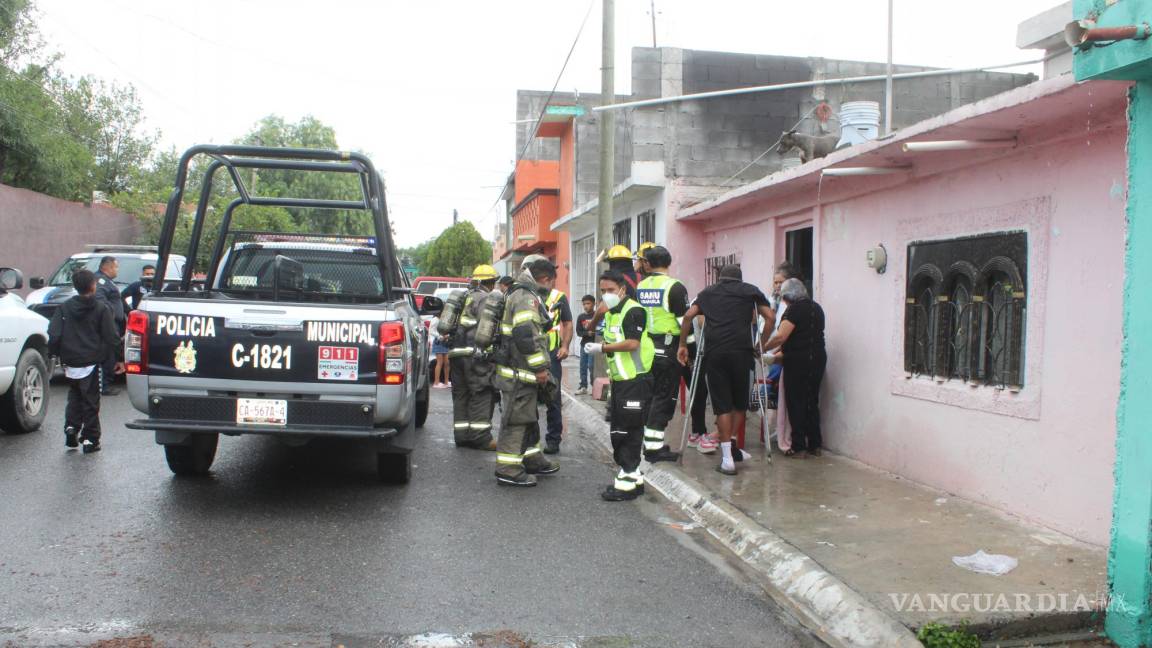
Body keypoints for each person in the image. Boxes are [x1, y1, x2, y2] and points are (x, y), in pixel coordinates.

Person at [677, 265, 774, 476]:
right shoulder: (751, 291)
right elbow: (771, 317)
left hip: (715, 355)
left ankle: (728, 458)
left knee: (722, 406)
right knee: (739, 404)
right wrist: (761, 344)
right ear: (740, 279)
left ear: (721, 278)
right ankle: (730, 448)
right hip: (742, 354)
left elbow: (687, 316)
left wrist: (683, 344)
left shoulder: (708, 293)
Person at [582, 271, 654, 501]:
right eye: (602, 291)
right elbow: (590, 331)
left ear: (622, 288)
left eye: (610, 290)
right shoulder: (613, 313)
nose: (606, 295)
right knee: (622, 429)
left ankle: (627, 483)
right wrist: (599, 314)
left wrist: (601, 348)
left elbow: (632, 343)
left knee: (626, 432)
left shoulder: (634, 310)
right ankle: (633, 478)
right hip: (621, 381)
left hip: (635, 380)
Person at [491, 258, 561, 486]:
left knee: (528, 417)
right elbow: (525, 336)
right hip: (519, 374)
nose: (551, 288)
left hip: (520, 372)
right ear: (545, 279)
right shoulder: (526, 298)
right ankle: (508, 469)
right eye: (551, 283)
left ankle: (532, 459)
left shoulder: (521, 293)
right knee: (517, 420)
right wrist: (540, 368)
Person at [48, 270, 124, 454]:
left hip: (70, 360)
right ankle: (91, 439)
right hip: (91, 360)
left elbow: (54, 333)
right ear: (93, 285)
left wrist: (55, 354)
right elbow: (111, 336)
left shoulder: (64, 308)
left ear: (75, 286)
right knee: (91, 399)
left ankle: (71, 427)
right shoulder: (101, 308)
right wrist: (120, 358)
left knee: (74, 395)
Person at [763, 278, 826, 457]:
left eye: (783, 297)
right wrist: (775, 353)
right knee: (811, 400)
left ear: (789, 296)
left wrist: (762, 347)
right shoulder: (817, 308)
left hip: (798, 361)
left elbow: (781, 337)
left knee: (796, 402)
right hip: (818, 359)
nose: (784, 300)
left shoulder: (794, 310)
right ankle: (815, 444)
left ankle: (798, 446)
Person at [636, 245, 686, 463]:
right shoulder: (674, 287)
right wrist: (690, 348)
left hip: (647, 348)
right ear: (669, 262)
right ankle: (654, 449)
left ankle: (650, 444)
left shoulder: (641, 286)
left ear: (648, 264)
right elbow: (684, 322)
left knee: (651, 396)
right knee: (663, 398)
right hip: (668, 348)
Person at [518, 255, 572, 454]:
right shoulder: (524, 295)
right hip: (529, 353)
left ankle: (553, 440)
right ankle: (530, 442)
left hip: (551, 355)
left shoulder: (558, 297)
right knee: (528, 397)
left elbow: (567, 323)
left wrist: (565, 346)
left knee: (553, 399)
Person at [448, 265, 500, 450]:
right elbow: (489, 329)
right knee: (481, 393)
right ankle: (480, 437)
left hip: (456, 354)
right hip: (475, 355)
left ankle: (461, 436)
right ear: (491, 282)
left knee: (461, 394)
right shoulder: (486, 299)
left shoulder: (462, 298)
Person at [768, 262, 801, 456]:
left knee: (781, 393)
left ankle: (787, 435)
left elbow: (782, 335)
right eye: (775, 282)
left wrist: (768, 349)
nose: (777, 286)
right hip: (774, 351)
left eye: (780, 282)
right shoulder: (774, 302)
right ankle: (779, 430)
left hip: (783, 353)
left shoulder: (794, 306)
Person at [93, 256, 125, 396]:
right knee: (107, 354)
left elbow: (119, 300)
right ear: (108, 267)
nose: (117, 270)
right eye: (116, 267)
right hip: (108, 324)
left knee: (112, 353)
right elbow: (100, 300)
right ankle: (103, 385)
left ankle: (106, 382)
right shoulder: (100, 281)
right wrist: (111, 316)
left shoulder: (109, 282)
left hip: (115, 324)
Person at [574, 294, 597, 395]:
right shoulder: (581, 317)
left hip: (594, 346)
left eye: (588, 303)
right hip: (584, 345)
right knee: (582, 366)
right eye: (584, 304)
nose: (586, 306)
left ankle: (594, 386)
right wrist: (587, 333)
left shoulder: (597, 315)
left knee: (591, 366)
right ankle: (583, 386)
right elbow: (578, 332)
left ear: (594, 303)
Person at [429, 315, 451, 388]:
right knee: (440, 362)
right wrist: (440, 336)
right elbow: (431, 331)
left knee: (447, 362)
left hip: (445, 341)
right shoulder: (435, 319)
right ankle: (436, 382)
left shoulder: (444, 318)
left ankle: (446, 381)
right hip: (439, 342)